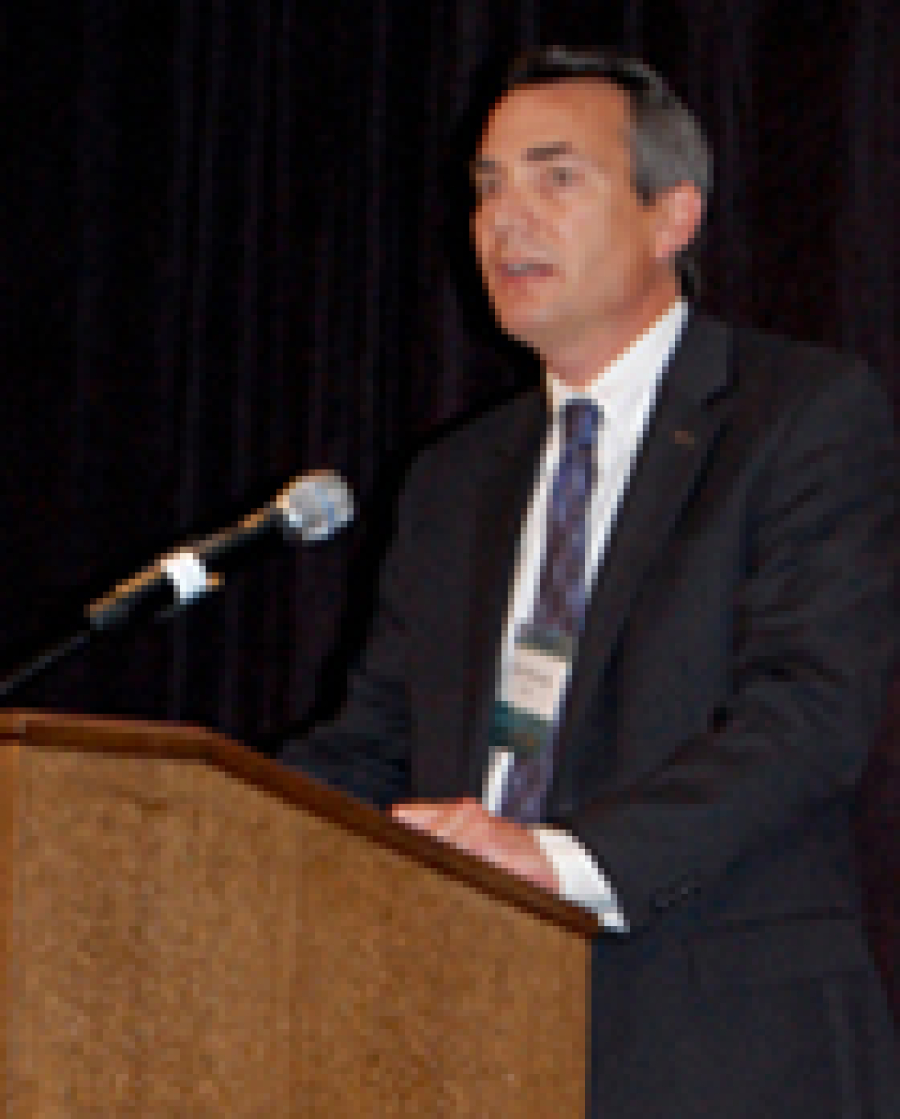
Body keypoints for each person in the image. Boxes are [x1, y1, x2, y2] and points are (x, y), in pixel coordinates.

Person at [280, 47, 900, 1117]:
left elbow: (810, 714)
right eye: (486, 187)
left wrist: (559, 862)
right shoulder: (454, 481)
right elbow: (374, 742)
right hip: (468, 1040)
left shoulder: (797, 416)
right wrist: (199, 832)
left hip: (722, 1046)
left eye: (556, 176)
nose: (505, 218)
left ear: (674, 216)